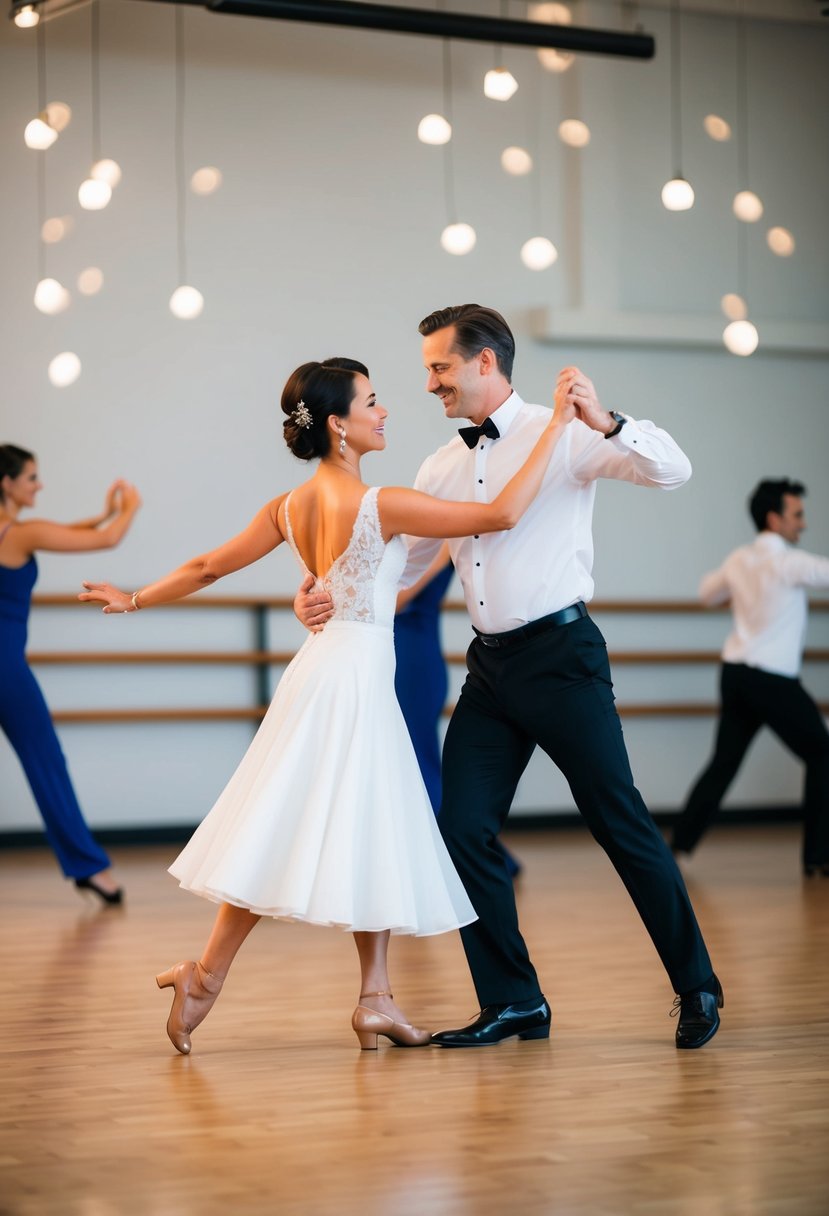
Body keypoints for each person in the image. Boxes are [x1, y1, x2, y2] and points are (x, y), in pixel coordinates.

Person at [79, 357, 572, 1054]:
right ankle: (215, 977)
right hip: (352, 679)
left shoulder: (287, 505)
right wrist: (555, 426)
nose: (385, 410)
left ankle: (363, 996)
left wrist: (133, 599)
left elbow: (207, 567)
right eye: (372, 401)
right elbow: (500, 513)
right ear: (338, 425)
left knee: (354, 824)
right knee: (323, 824)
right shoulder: (383, 503)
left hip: (323, 670)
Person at [297, 306, 722, 1050]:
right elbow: (409, 579)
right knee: (461, 829)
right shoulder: (438, 466)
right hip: (489, 671)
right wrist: (332, 599)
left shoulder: (565, 436)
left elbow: (674, 469)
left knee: (619, 824)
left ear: (484, 363)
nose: (428, 382)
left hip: (562, 661)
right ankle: (514, 1000)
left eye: (439, 367)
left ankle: (696, 986)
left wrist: (608, 417)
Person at [0, 443, 141, 905]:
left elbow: (60, 532)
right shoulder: (16, 534)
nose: (38, 485)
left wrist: (101, 514)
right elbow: (105, 541)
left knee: (46, 761)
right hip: (5, 668)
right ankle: (90, 868)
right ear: (7, 482)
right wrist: (128, 510)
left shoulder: (20, 533)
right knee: (47, 763)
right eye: (31, 478)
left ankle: (88, 866)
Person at [672, 478, 829, 875]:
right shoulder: (788, 562)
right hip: (772, 681)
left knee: (723, 763)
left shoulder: (740, 560)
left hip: (736, 675)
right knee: (823, 756)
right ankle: (818, 857)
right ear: (774, 520)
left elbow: (708, 593)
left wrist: (742, 591)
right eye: (798, 515)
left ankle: (677, 848)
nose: (803, 524)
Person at [394, 546, 522, 877]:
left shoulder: (442, 542)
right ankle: (417, 859)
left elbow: (398, 598)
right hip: (392, 655)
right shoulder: (407, 538)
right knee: (406, 763)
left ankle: (476, 855)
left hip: (412, 662)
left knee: (420, 764)